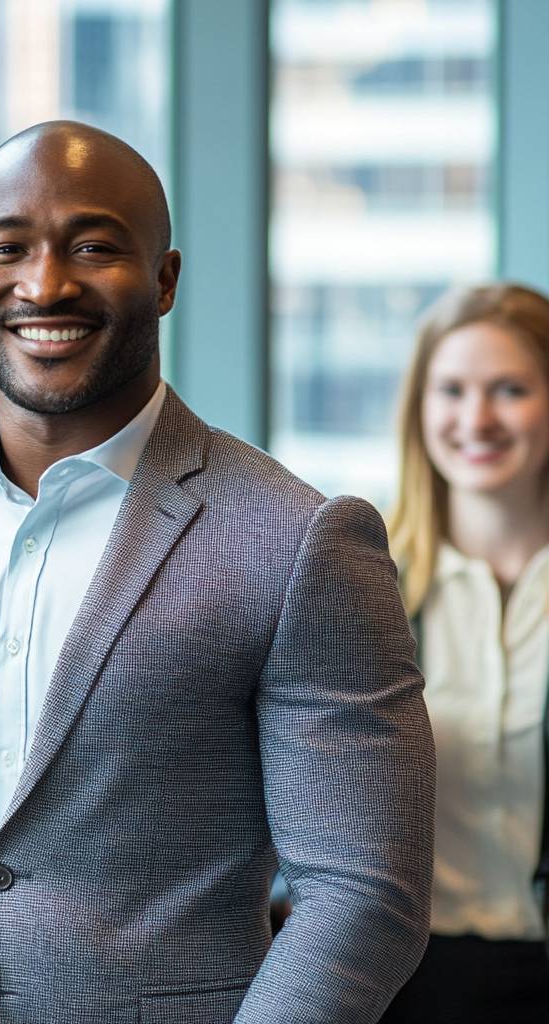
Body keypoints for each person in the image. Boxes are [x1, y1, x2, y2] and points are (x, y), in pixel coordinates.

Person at [0, 121, 435, 1024]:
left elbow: (365, 895)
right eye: (7, 250)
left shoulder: (301, 542)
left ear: (163, 280)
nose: (45, 284)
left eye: (92, 246)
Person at [382, 283, 549, 1023]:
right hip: (408, 984)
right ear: (420, 408)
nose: (476, 419)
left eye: (510, 389)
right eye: (451, 390)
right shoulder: (361, 581)